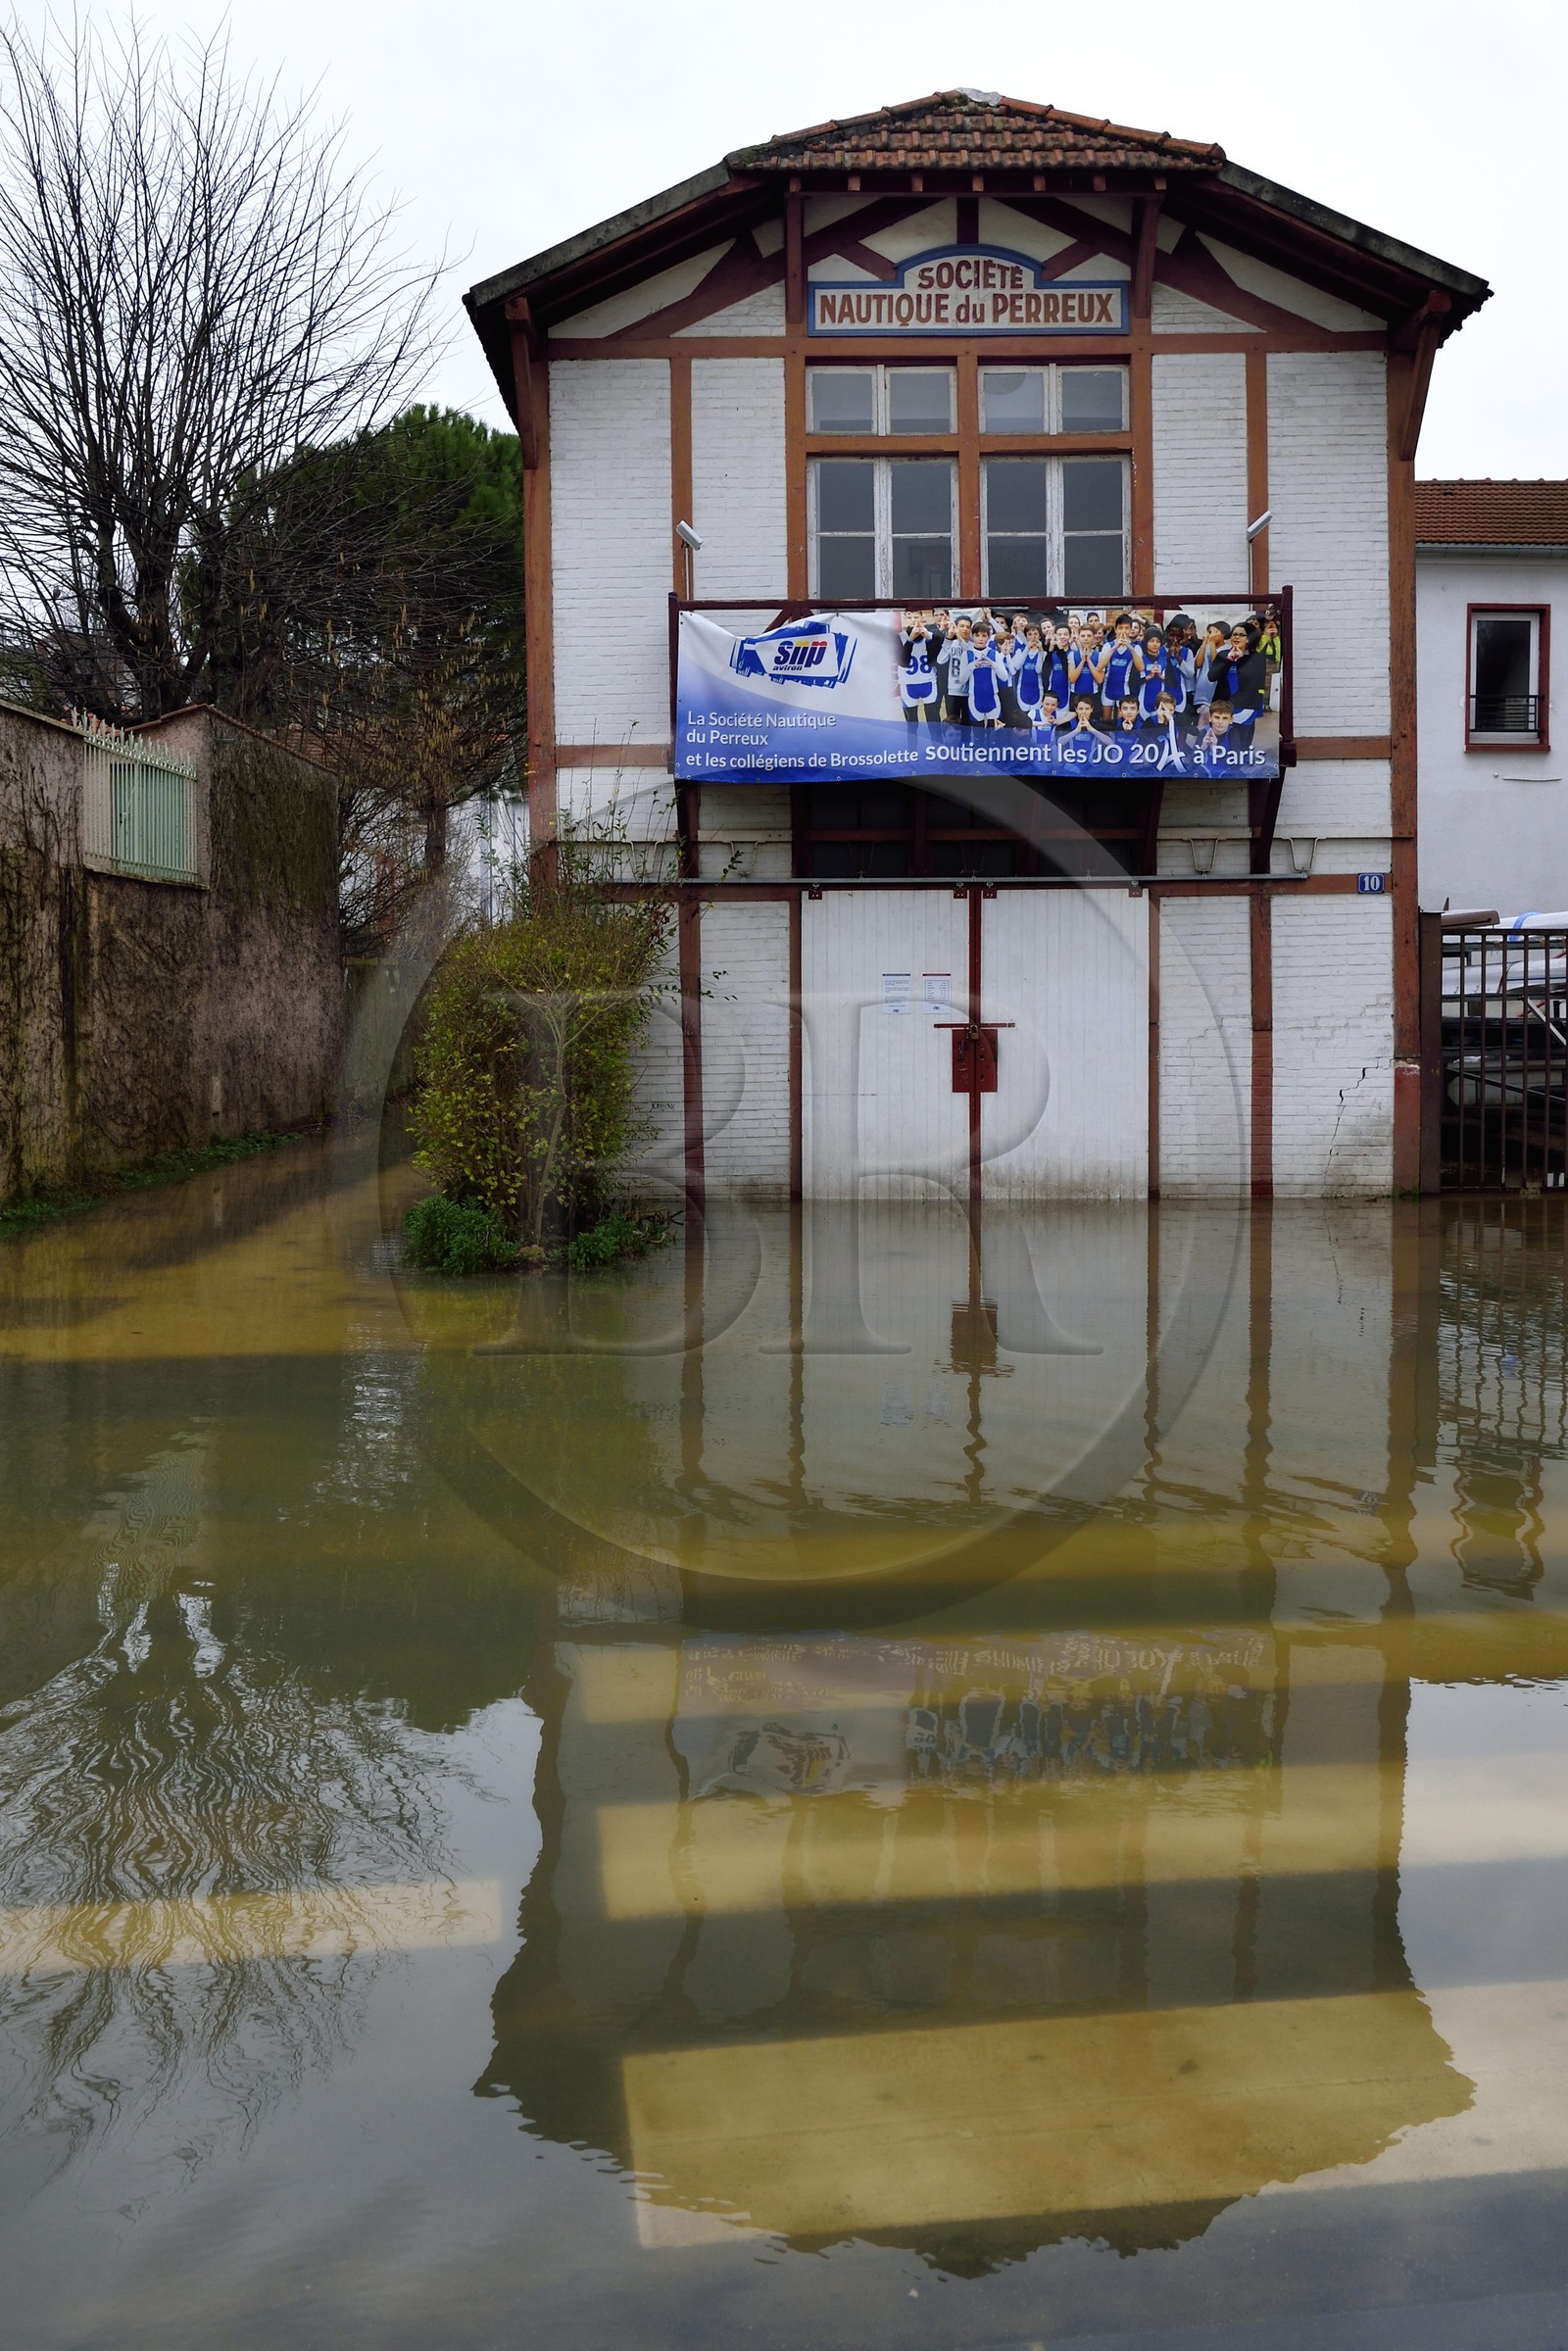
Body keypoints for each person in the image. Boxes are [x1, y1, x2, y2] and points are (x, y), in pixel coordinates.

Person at [1207, 622, 1268, 749]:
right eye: (1234, 634)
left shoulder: (1256, 658)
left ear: (1248, 639)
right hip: (1223, 708)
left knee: (1241, 745)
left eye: (1241, 635)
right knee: (1220, 744)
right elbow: (1212, 676)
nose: (1237, 637)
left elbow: (1255, 682)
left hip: (1245, 708)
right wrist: (1229, 660)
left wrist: (1241, 660)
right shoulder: (1223, 655)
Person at [898, 611, 942, 727]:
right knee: (911, 724)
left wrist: (928, 638)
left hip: (928, 681)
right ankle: (912, 746)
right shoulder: (900, 637)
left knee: (933, 719)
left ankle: (936, 744)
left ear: (922, 618)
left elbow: (937, 657)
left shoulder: (932, 635)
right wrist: (910, 640)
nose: (913, 619)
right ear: (905, 618)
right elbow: (902, 662)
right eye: (910, 617)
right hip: (908, 683)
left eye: (916, 616)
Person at [966, 621, 1004, 727]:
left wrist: (993, 665)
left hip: (992, 699)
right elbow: (962, 680)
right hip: (975, 699)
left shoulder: (994, 653)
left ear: (988, 637)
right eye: (977, 635)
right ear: (972, 636)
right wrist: (972, 665)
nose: (980, 639)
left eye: (984, 636)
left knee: (994, 735)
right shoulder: (967, 654)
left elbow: (1004, 677)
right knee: (978, 735)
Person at [938, 612, 973, 723]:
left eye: (968, 627)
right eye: (961, 626)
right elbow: (940, 660)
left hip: (969, 691)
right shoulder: (951, 643)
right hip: (953, 691)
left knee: (967, 722)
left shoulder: (973, 645)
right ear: (956, 627)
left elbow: (968, 652)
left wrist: (959, 637)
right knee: (953, 722)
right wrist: (948, 639)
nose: (965, 629)